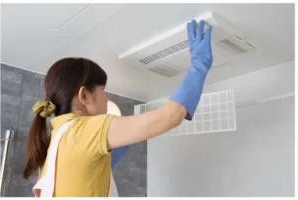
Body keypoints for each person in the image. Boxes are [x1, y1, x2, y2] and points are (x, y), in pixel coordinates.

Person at [23, 19, 213, 197]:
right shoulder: (83, 130)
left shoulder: (56, 139)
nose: (107, 98)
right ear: (84, 95)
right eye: (103, 90)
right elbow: (169, 117)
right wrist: (199, 64)